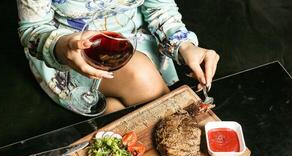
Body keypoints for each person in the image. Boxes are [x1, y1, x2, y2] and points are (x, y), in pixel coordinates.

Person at [16, 0, 219, 115]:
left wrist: (185, 46)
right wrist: (62, 47)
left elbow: (159, 9)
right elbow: (33, 30)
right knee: (140, 74)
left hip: (140, 41)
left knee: (117, 109)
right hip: (71, 50)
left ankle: (107, 109)